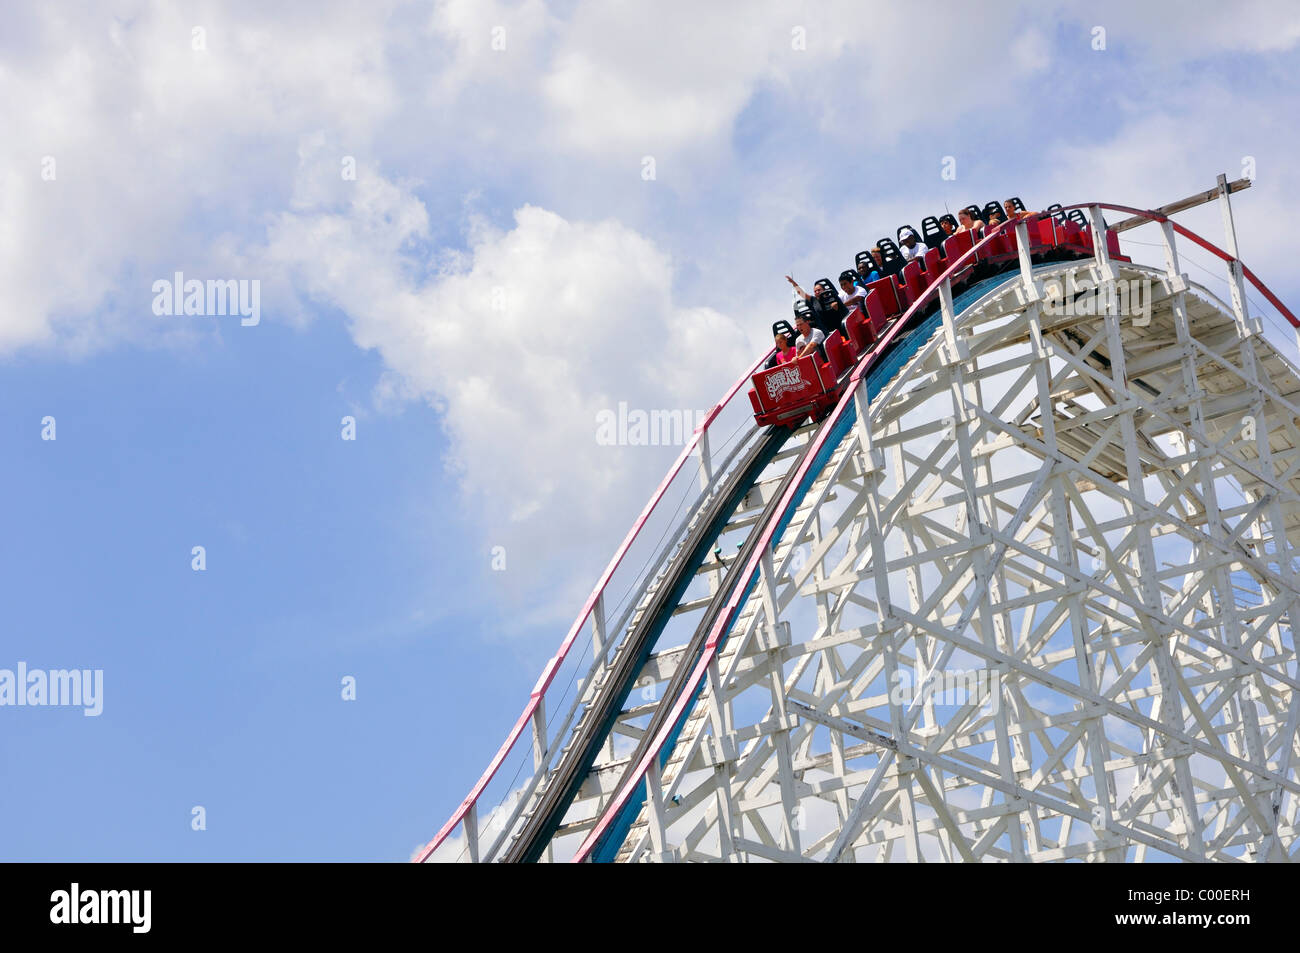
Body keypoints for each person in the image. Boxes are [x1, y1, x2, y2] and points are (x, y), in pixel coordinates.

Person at [785, 275, 848, 342]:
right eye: (815, 291)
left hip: (837, 326)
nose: (817, 292)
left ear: (824, 290)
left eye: (819, 290)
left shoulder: (831, 298)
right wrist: (793, 283)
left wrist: (835, 306)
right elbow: (801, 293)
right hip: (825, 329)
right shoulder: (813, 300)